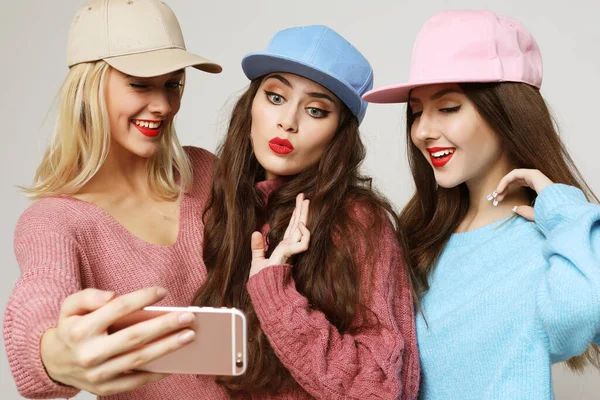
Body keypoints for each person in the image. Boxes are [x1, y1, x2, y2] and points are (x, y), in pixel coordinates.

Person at [363, 9, 600, 399]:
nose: (422, 131)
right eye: (417, 111)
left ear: (506, 113)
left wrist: (563, 211)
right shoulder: (416, 240)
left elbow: (585, 308)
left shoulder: (552, 247)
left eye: (448, 107)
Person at [3, 0, 223, 398]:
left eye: (173, 83)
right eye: (140, 84)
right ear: (87, 88)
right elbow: (39, 296)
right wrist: (52, 354)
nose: (163, 105)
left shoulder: (206, 171)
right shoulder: (55, 220)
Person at [192, 25, 419, 399]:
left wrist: (275, 293)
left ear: (338, 133)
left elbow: (379, 388)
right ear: (252, 103)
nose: (289, 122)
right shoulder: (225, 207)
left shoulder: (357, 223)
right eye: (276, 96)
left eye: (316, 110)